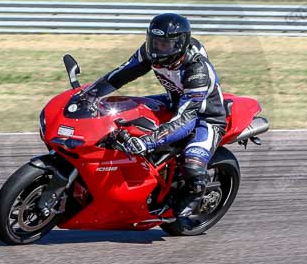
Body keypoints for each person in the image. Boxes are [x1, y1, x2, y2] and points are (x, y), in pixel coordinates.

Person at [83, 13, 227, 218]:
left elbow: (186, 118)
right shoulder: (150, 53)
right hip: (173, 102)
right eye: (156, 42)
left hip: (204, 116)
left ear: (180, 44)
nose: (159, 49)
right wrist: (88, 95)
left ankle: (195, 194)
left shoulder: (197, 70)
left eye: (165, 45)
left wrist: (147, 142)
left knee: (193, 164)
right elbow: (120, 74)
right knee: (123, 112)